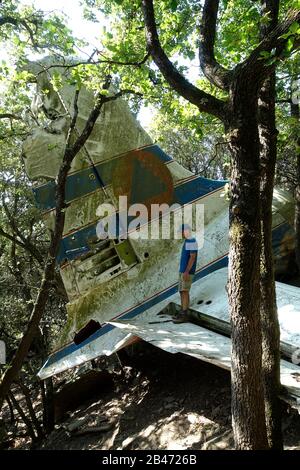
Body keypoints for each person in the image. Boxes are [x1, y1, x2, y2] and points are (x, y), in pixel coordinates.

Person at [173, 224, 198, 323]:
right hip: (183, 271)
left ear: (186, 230)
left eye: (181, 231)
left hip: (187, 272)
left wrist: (187, 271)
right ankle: (182, 312)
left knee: (185, 291)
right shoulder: (187, 241)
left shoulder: (191, 241)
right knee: (182, 291)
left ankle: (185, 314)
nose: (181, 234)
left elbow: (192, 257)